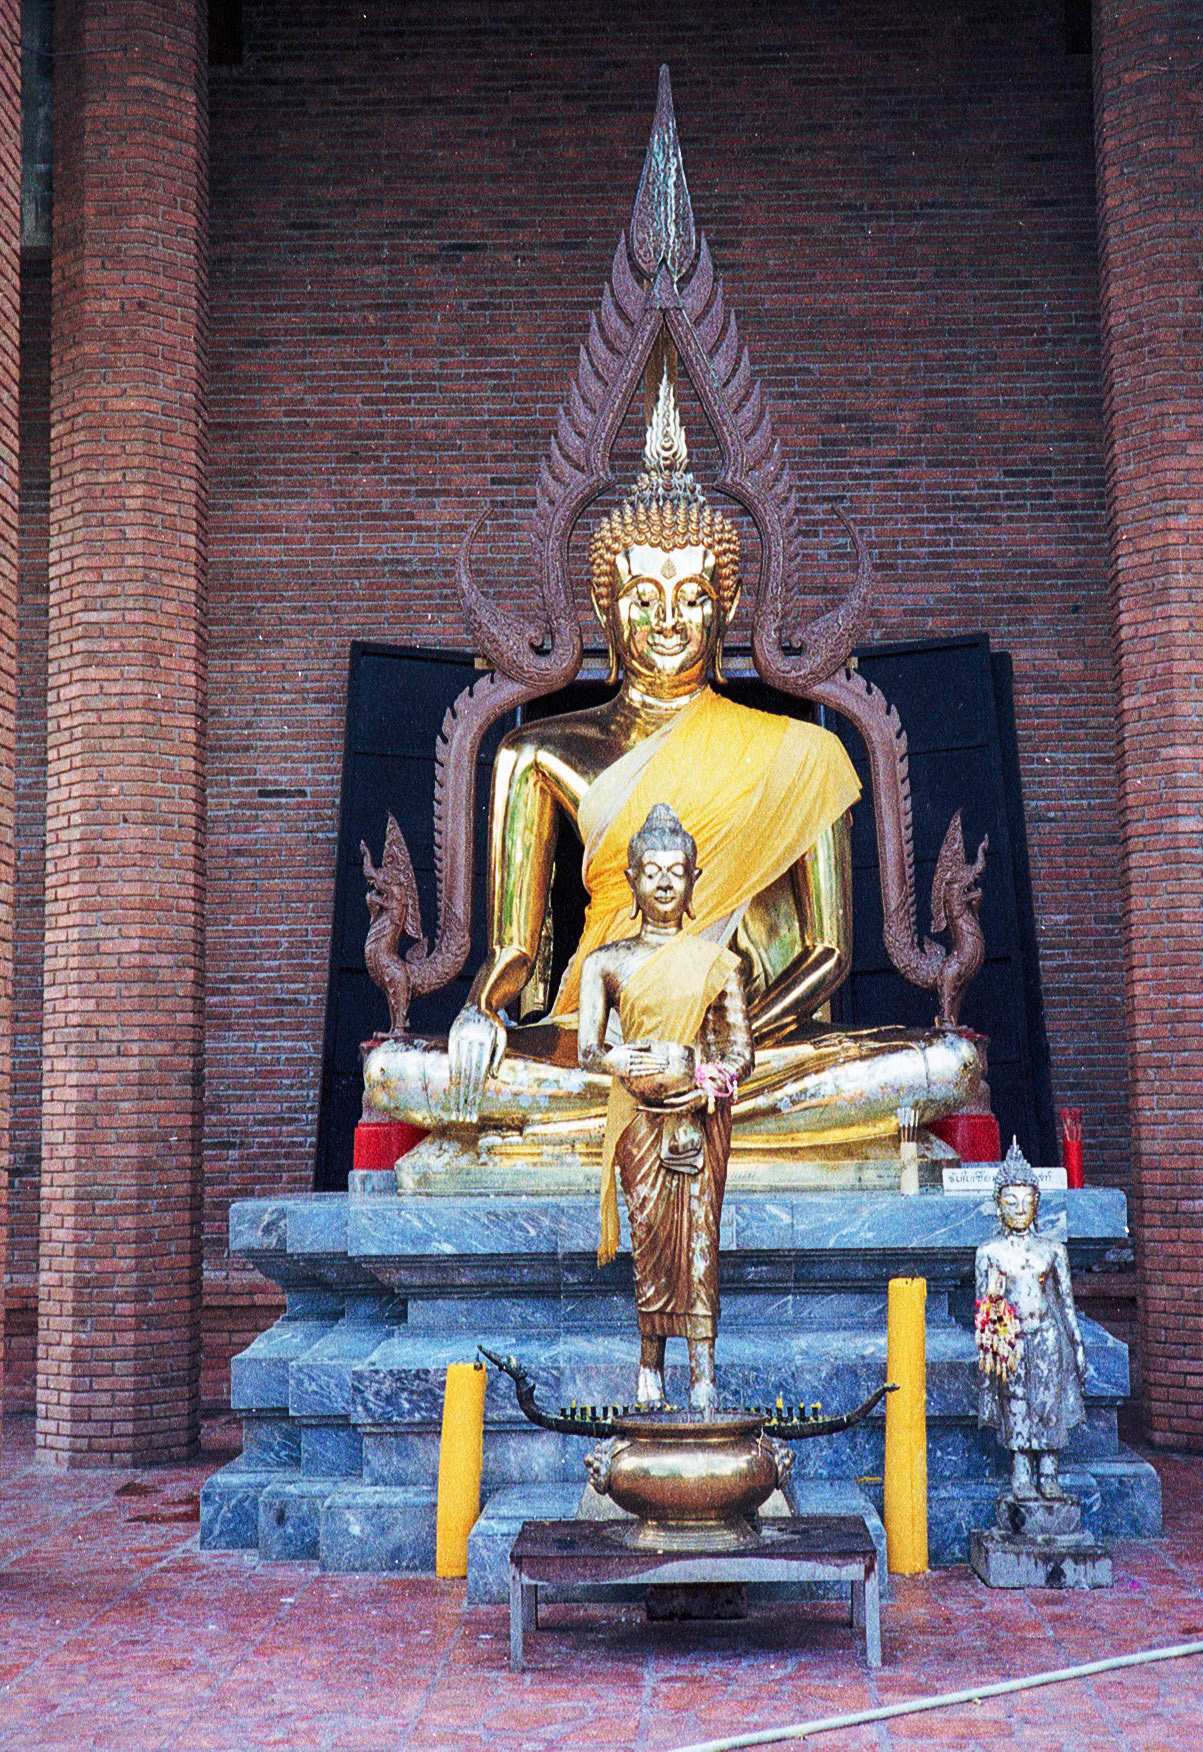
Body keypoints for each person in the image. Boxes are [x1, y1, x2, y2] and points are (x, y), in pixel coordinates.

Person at [364, 375, 980, 1180]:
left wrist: (720, 1043)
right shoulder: (539, 752)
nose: (666, 621)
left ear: (724, 611)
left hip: (755, 1044)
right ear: (604, 610)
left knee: (934, 1069)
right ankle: (612, 1119)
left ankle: (570, 1136)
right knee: (404, 1075)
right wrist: (482, 1010)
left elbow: (828, 950)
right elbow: (515, 949)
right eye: (642, 596)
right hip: (600, 1039)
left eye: (692, 597)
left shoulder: (800, 752)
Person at [577, 804, 753, 1409]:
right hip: (638, 1119)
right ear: (631, 880)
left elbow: (740, 1052)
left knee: (700, 1243)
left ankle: (703, 1373)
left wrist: (705, 1082)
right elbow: (586, 1050)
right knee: (649, 1240)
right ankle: (649, 1369)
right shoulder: (605, 963)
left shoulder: (718, 963)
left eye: (676, 870)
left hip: (699, 1122)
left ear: (694, 880)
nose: (663, 882)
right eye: (650, 870)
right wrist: (620, 1062)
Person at [975, 1141, 1087, 1500]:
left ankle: (1049, 1472)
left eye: (1027, 1200)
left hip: (1048, 1335)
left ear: (1037, 1202)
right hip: (1012, 1338)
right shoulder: (990, 1253)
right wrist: (992, 1335)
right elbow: (982, 1305)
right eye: (1011, 1201)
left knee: (1048, 1402)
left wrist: (1078, 1344)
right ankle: (1021, 1472)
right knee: (1016, 1401)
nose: (1020, 1209)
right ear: (999, 1204)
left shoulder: (1052, 1251)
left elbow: (1067, 1303)